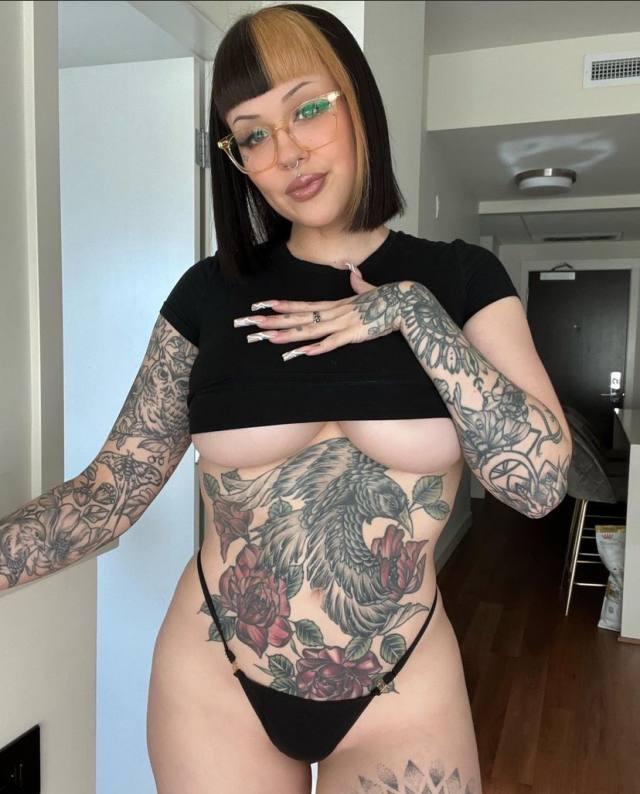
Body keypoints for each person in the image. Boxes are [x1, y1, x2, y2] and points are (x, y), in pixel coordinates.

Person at [0, 4, 572, 792]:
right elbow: (109, 495)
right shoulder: (207, 296)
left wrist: (413, 313)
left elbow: (538, 486)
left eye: (308, 109)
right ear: (236, 160)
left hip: (401, 690)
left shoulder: (462, 279)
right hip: (216, 680)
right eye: (253, 135)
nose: (288, 151)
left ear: (356, 100)